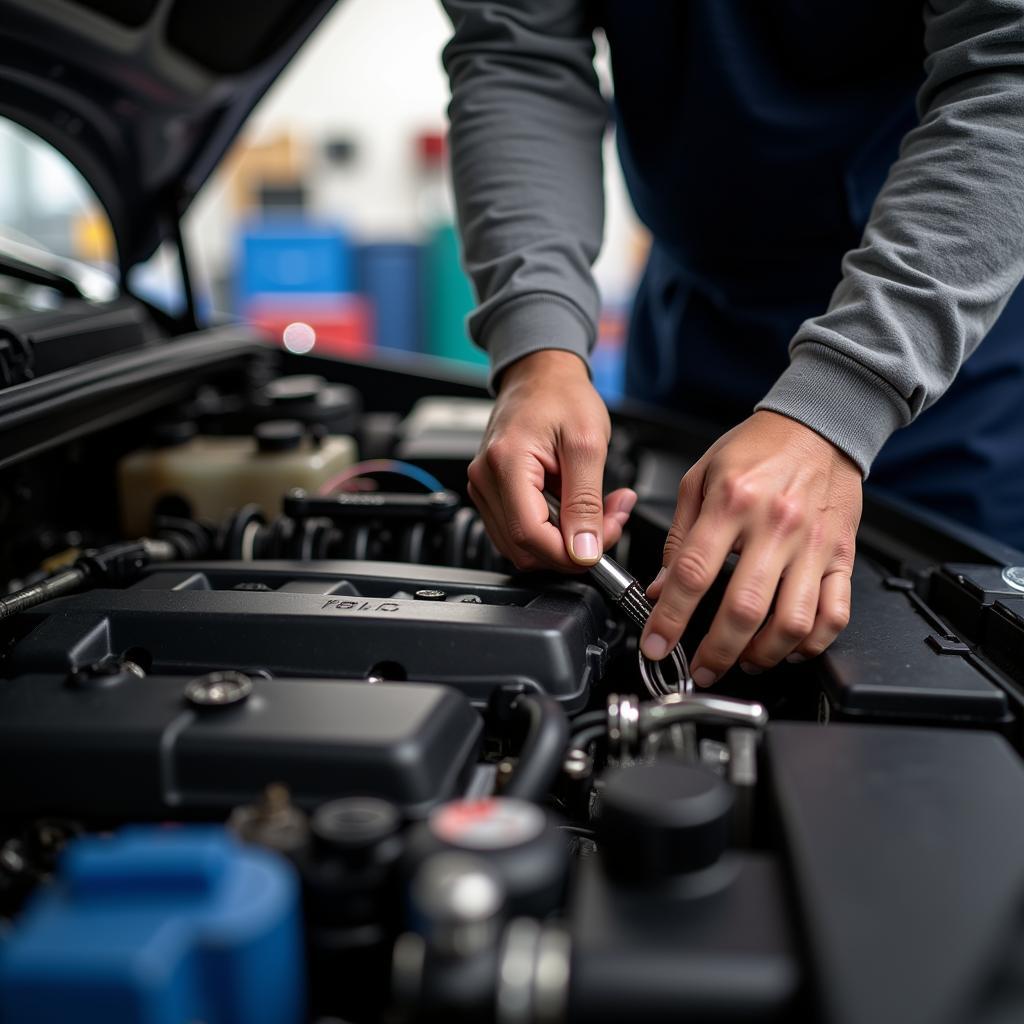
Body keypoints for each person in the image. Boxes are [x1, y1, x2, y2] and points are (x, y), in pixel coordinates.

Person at [439, 0, 1024, 687]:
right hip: (697, 332)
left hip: (951, 361)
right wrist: (536, 356)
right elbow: (516, 56)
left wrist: (843, 400)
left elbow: (1008, 69)